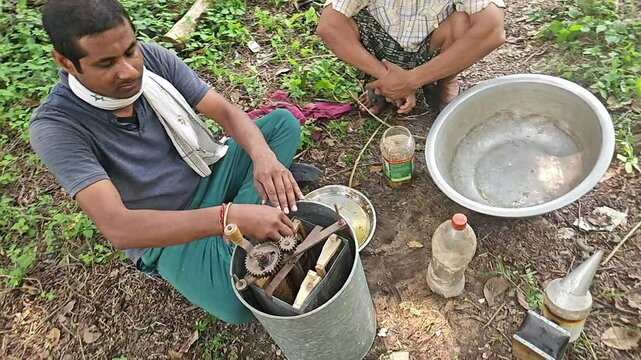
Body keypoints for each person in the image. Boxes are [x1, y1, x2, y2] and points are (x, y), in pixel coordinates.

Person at [30, 0, 305, 324]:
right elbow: (119, 228)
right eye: (106, 64)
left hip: (206, 171)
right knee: (239, 305)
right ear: (66, 62)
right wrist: (228, 216)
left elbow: (227, 112)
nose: (129, 70)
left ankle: (238, 232)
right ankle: (239, 225)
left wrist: (264, 160)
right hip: (164, 225)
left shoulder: (152, 58)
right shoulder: (57, 125)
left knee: (281, 126)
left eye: (130, 51)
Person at [317, 0, 506, 114]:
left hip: (433, 46)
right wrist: (385, 76)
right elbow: (329, 26)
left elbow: (492, 30)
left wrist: (412, 80)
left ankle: (446, 81)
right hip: (381, 48)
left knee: (462, 23)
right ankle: (384, 82)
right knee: (342, 21)